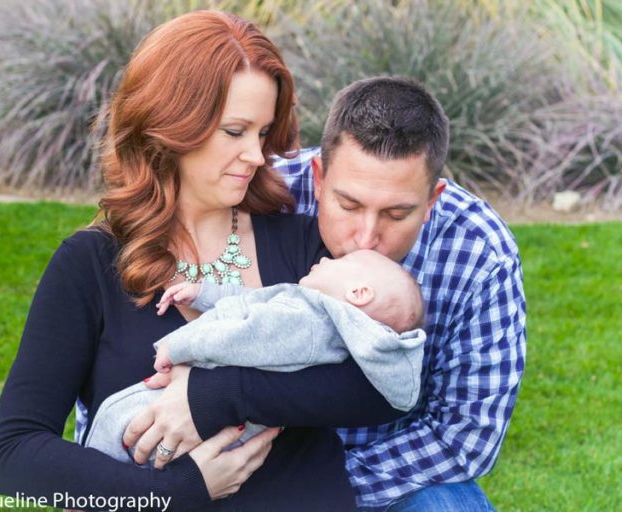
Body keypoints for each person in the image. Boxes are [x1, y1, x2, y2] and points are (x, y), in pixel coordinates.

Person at [0, 11, 402, 512]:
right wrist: (178, 491)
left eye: (263, 132)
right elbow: (14, 452)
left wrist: (219, 392)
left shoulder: (301, 246)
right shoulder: (90, 265)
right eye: (235, 131)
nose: (257, 154)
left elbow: (379, 386)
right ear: (171, 125)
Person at [125, 77, 526, 511]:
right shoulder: (262, 197)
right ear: (318, 177)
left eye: (397, 213)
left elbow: (464, 439)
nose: (366, 238)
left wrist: (317, 490)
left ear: (433, 200)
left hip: (381, 482)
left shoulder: (482, 254)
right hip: (239, 471)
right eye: (348, 205)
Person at [84, 249, 427, 465]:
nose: (326, 258)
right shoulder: (313, 313)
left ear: (359, 292)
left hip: (196, 410)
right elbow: (256, 300)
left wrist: (177, 346)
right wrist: (205, 293)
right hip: (203, 412)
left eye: (342, 262)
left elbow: (240, 336)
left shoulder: (309, 325)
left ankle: (92, 494)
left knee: (114, 430)